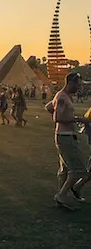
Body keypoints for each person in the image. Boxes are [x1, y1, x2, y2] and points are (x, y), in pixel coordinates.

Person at [48, 73, 89, 210]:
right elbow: (57, 117)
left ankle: (62, 197)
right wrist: (77, 119)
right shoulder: (62, 97)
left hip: (65, 134)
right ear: (70, 82)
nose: (79, 87)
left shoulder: (62, 96)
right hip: (65, 136)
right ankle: (61, 195)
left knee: (65, 169)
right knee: (78, 169)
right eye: (77, 84)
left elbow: (49, 107)